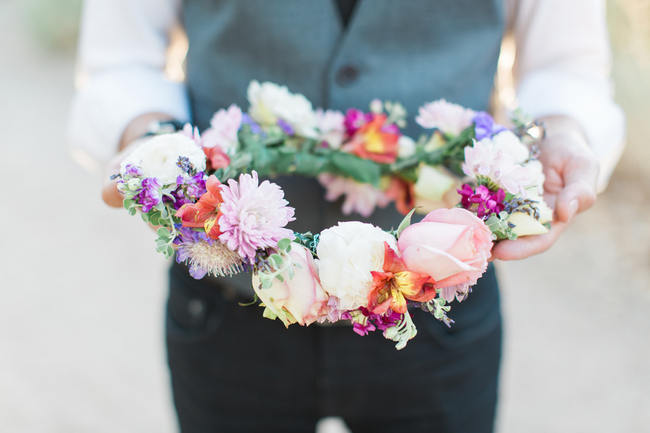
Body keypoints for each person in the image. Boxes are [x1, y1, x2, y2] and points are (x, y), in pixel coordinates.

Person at [69, 1, 624, 432]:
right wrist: (149, 144)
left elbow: (565, 66)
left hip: (439, 325)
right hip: (225, 311)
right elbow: (121, 61)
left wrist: (565, 131)